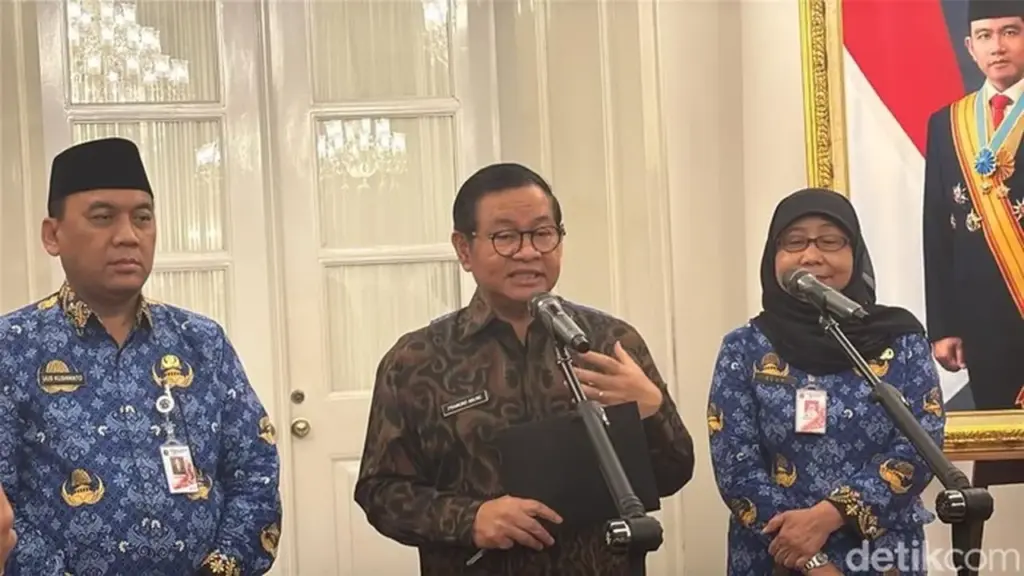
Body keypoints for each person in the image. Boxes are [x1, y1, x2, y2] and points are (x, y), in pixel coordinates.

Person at [354, 162, 694, 576]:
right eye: (505, 237)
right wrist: (470, 519)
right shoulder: (415, 360)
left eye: (542, 233)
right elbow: (380, 492)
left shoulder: (609, 342)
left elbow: (673, 474)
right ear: (464, 249)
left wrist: (651, 410)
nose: (528, 251)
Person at [0, 137, 282, 575]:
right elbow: (5, 506)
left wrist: (222, 567)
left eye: (143, 218)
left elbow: (255, 471)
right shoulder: (12, 348)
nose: (128, 236)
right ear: (53, 235)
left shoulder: (202, 342)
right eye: (102, 217)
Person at [709, 188, 945, 575]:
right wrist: (812, 561)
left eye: (830, 241)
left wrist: (830, 515)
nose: (811, 256)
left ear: (855, 252)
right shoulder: (744, 347)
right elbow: (736, 465)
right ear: (773, 256)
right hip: (776, 555)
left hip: (882, 553)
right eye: (794, 241)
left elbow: (922, 443)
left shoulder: (900, 339)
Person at [923, 0, 1024, 486]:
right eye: (985, 35)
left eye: (1010, 32)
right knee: (998, 456)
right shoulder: (947, 123)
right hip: (982, 320)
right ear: (969, 47)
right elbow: (936, 229)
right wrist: (943, 326)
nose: (997, 46)